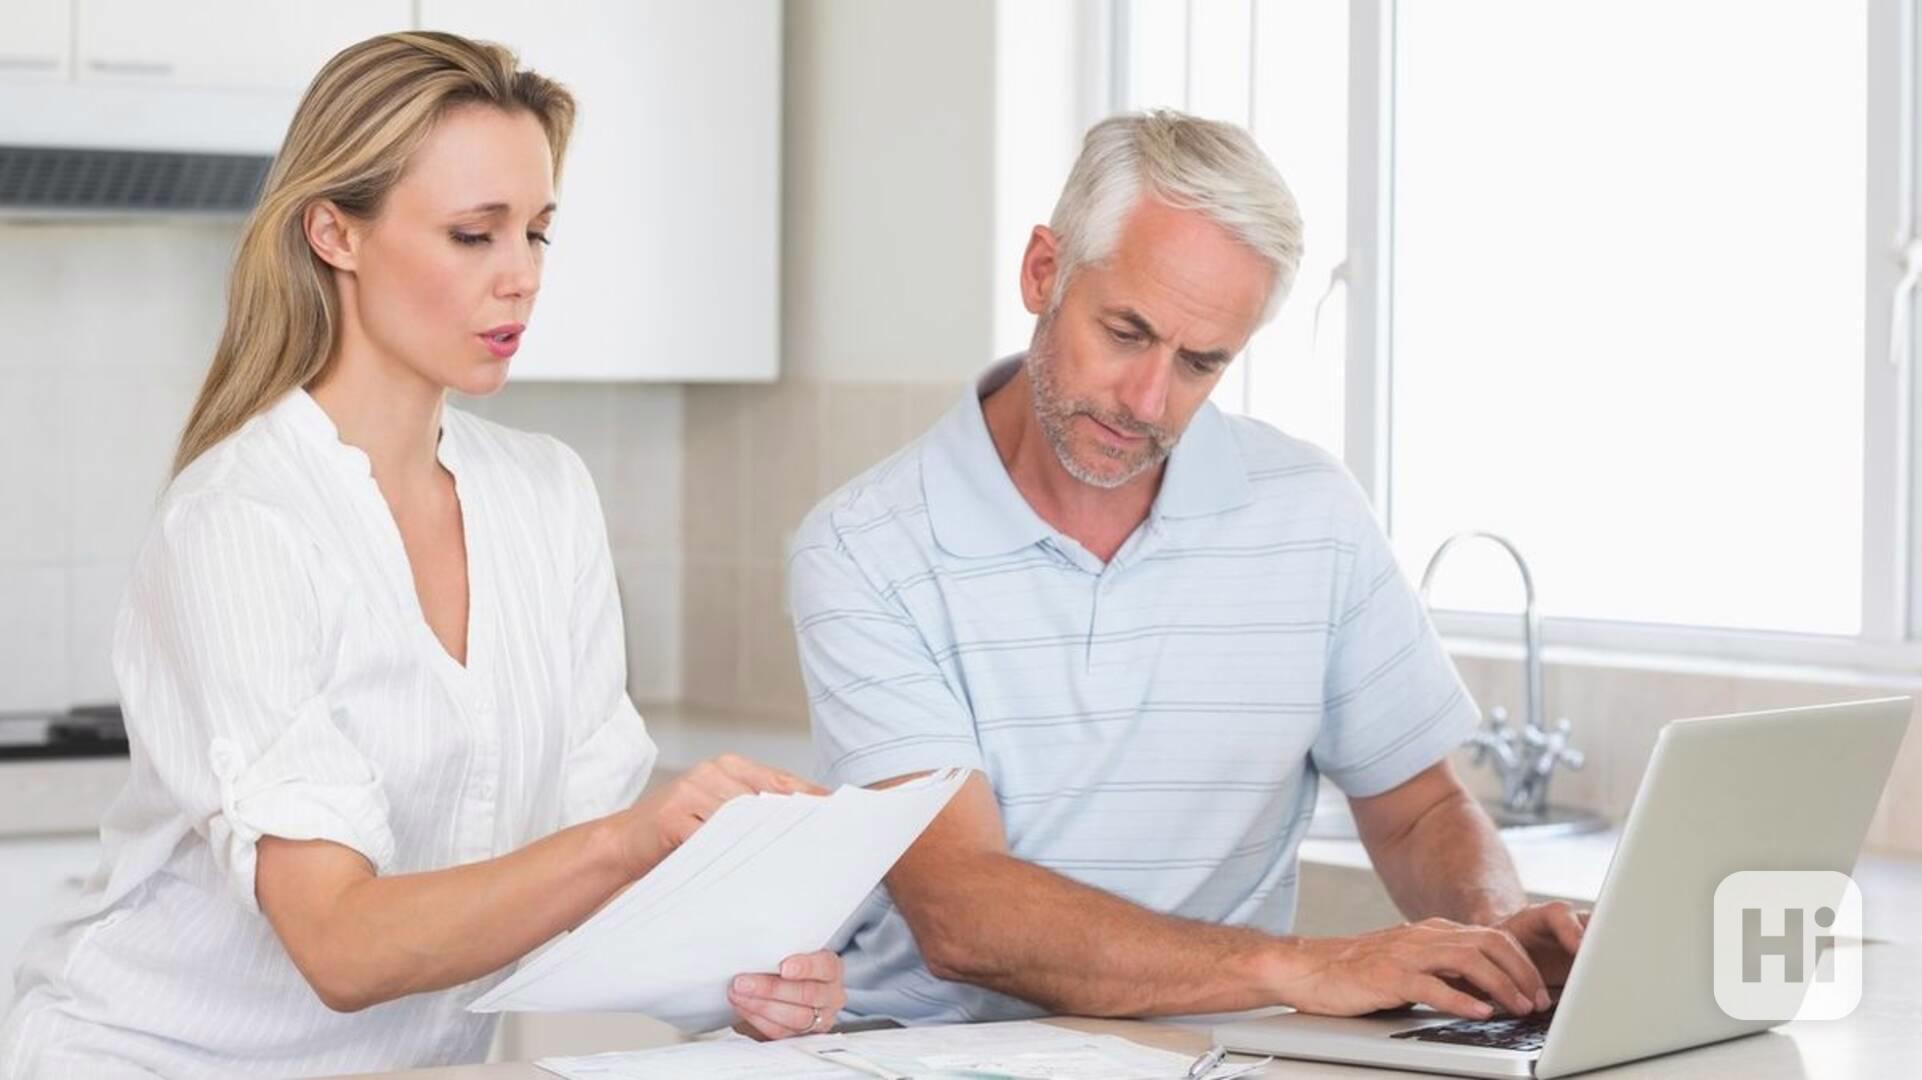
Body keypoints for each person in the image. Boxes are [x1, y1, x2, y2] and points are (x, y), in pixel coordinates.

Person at [0, 32, 842, 1079]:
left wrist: (742, 980)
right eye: (472, 235)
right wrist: (630, 841)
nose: (521, 277)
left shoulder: (547, 497)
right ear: (334, 233)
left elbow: (583, 889)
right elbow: (341, 944)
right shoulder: (241, 518)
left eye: (537, 232)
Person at [787, 110, 1588, 1025]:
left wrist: (1497, 939)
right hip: (933, 1059)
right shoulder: (865, 546)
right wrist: (1300, 968)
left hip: (1225, 1059)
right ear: (1043, 271)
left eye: (1201, 362)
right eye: (1126, 332)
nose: (1147, 400)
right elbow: (964, 912)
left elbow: (1417, 811)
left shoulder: (1312, 512)